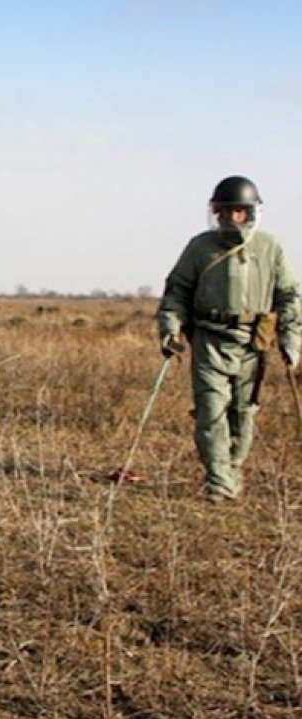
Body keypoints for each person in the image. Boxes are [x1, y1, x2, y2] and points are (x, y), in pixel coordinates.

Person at [157, 176, 300, 502]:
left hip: (253, 344)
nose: (232, 218)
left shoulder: (270, 248)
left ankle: (232, 470)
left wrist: (291, 342)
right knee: (211, 412)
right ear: (216, 213)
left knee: (243, 413)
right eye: (225, 211)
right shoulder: (199, 248)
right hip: (210, 340)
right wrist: (170, 329)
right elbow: (176, 292)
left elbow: (289, 298)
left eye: (239, 211)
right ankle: (219, 483)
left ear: (250, 212)